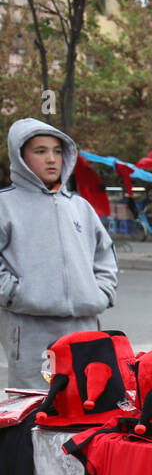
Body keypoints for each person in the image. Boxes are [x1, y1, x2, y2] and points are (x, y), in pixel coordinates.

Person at [0, 118, 118, 389]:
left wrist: (101, 293)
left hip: (84, 326)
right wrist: (14, 294)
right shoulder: (5, 206)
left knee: (86, 403)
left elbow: (104, 256)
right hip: (29, 330)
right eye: (40, 151)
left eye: (56, 151)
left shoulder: (80, 207)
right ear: (20, 156)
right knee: (34, 410)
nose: (51, 159)